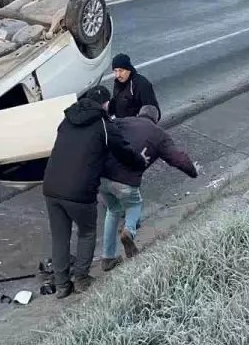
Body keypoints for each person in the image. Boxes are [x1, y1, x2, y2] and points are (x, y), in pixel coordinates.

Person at [41, 85, 140, 299]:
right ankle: (82, 279)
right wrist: (139, 162)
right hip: (79, 191)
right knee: (86, 232)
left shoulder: (66, 120)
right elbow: (123, 151)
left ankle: (61, 285)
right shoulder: (104, 125)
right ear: (105, 104)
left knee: (60, 237)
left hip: (51, 187)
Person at [98, 104, 198, 271]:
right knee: (135, 205)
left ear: (139, 113)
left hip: (103, 175)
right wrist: (193, 172)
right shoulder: (160, 135)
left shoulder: (124, 121)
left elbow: (104, 128)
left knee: (113, 210)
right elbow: (177, 158)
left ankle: (108, 257)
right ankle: (129, 231)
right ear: (156, 120)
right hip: (126, 180)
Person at [108, 53, 160, 120]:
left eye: (121, 70)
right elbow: (117, 102)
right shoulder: (118, 83)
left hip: (135, 127)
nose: (118, 75)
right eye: (115, 71)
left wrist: (140, 126)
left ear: (128, 69)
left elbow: (153, 112)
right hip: (121, 125)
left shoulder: (142, 85)